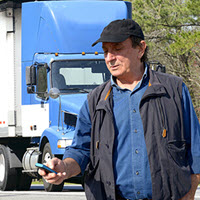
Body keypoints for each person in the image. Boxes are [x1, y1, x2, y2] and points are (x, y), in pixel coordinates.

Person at [38, 19, 200, 200]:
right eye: (106, 51)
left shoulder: (173, 90)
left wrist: (190, 192)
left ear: (140, 48)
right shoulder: (95, 100)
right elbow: (81, 151)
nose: (109, 58)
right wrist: (64, 168)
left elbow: (195, 147)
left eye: (117, 49)